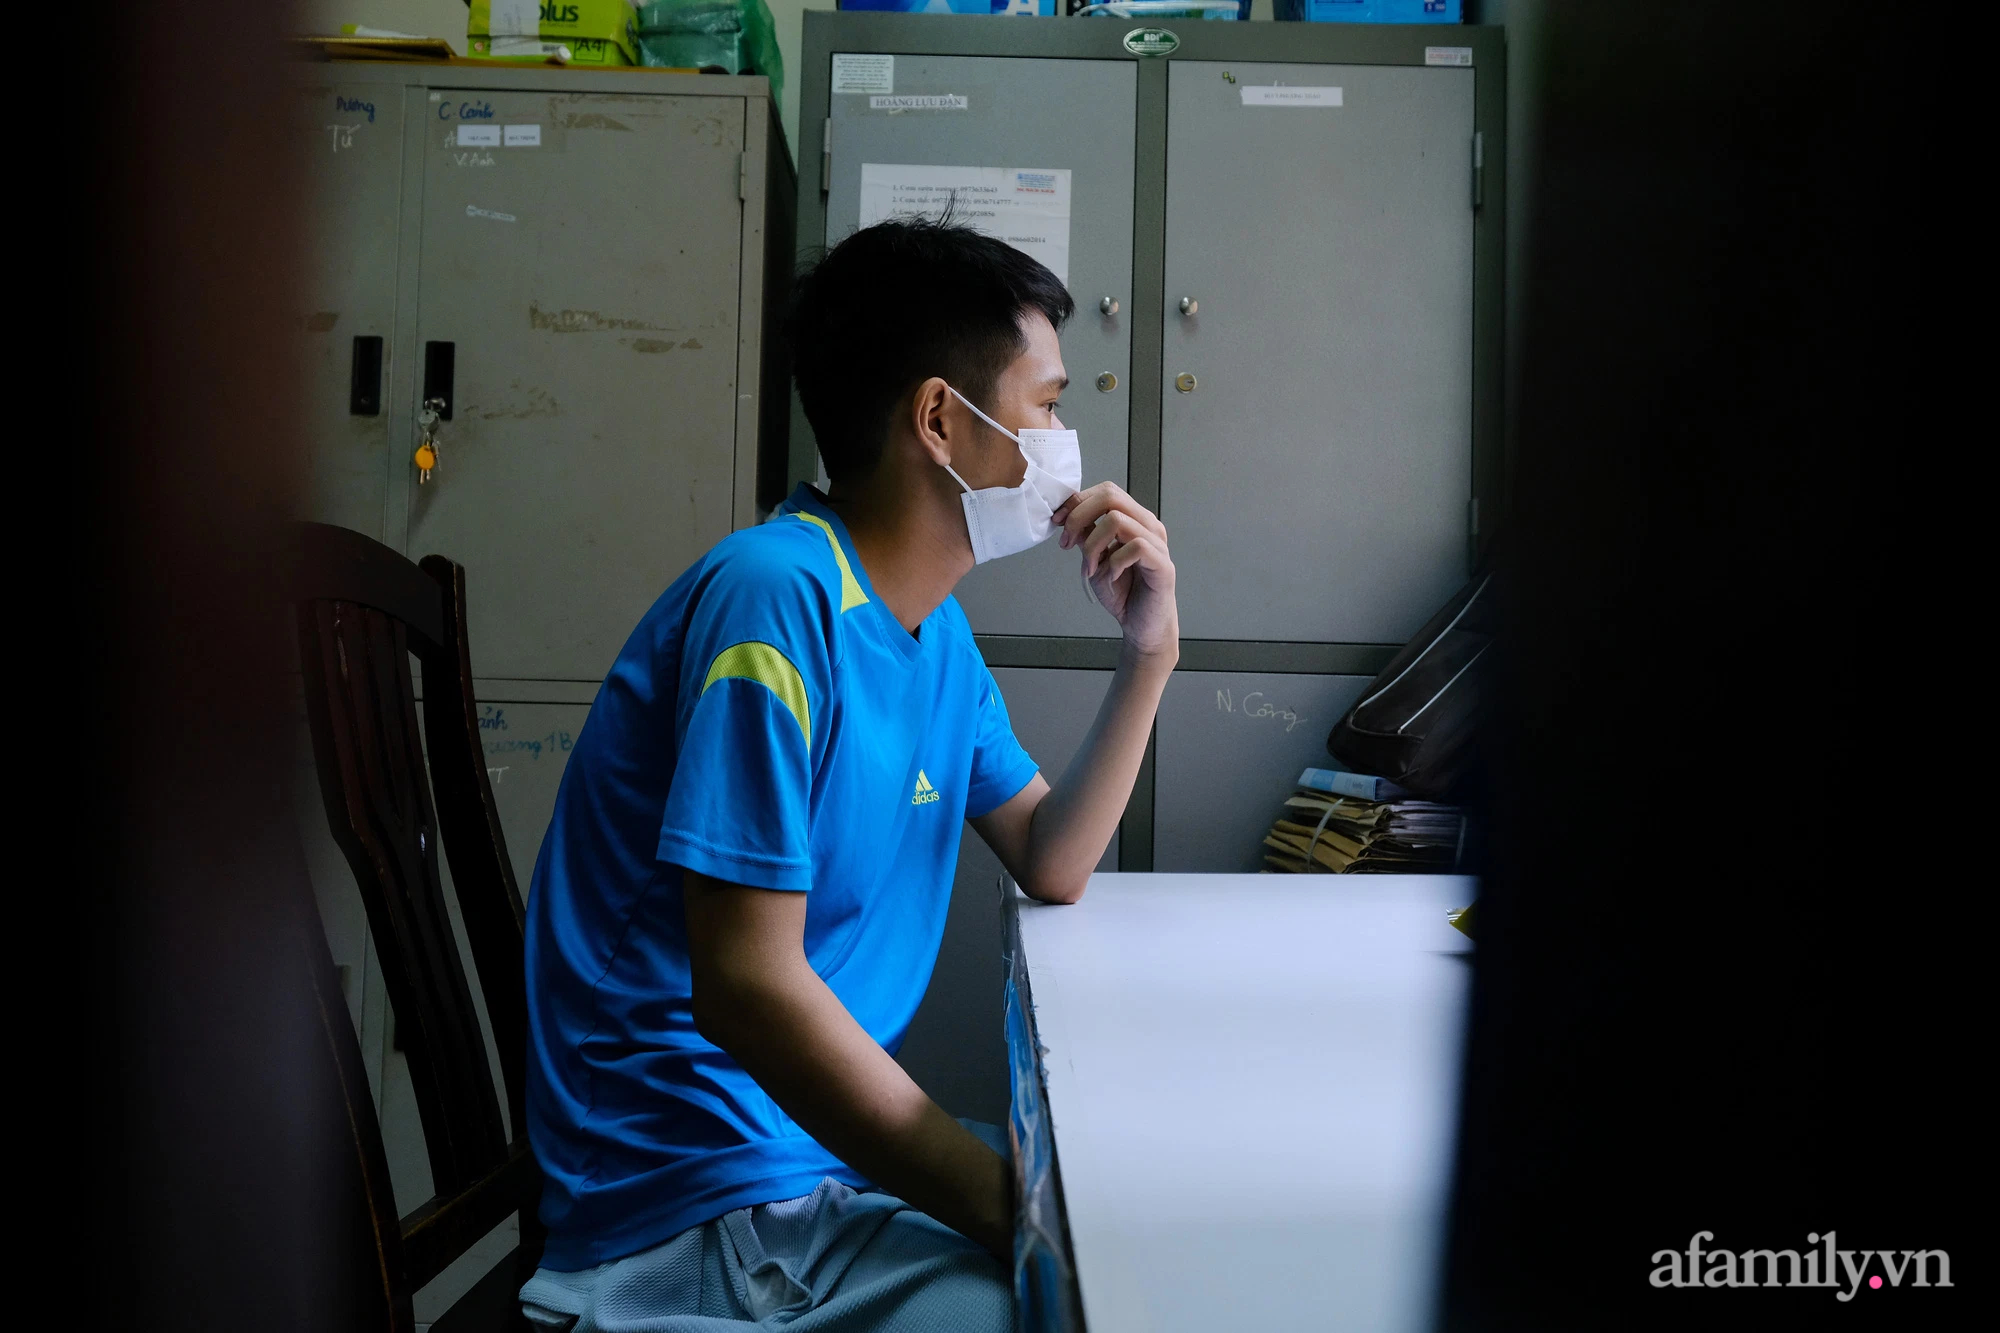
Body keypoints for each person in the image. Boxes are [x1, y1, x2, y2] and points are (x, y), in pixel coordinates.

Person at [517, 217, 1179, 1330]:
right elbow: (747, 987)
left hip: (791, 1162)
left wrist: (1149, 652)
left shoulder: (929, 632)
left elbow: (1053, 859)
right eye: (1048, 403)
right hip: (687, 1203)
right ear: (938, 419)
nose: (1064, 442)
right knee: (1083, 1301)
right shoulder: (775, 598)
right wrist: (1009, 1207)